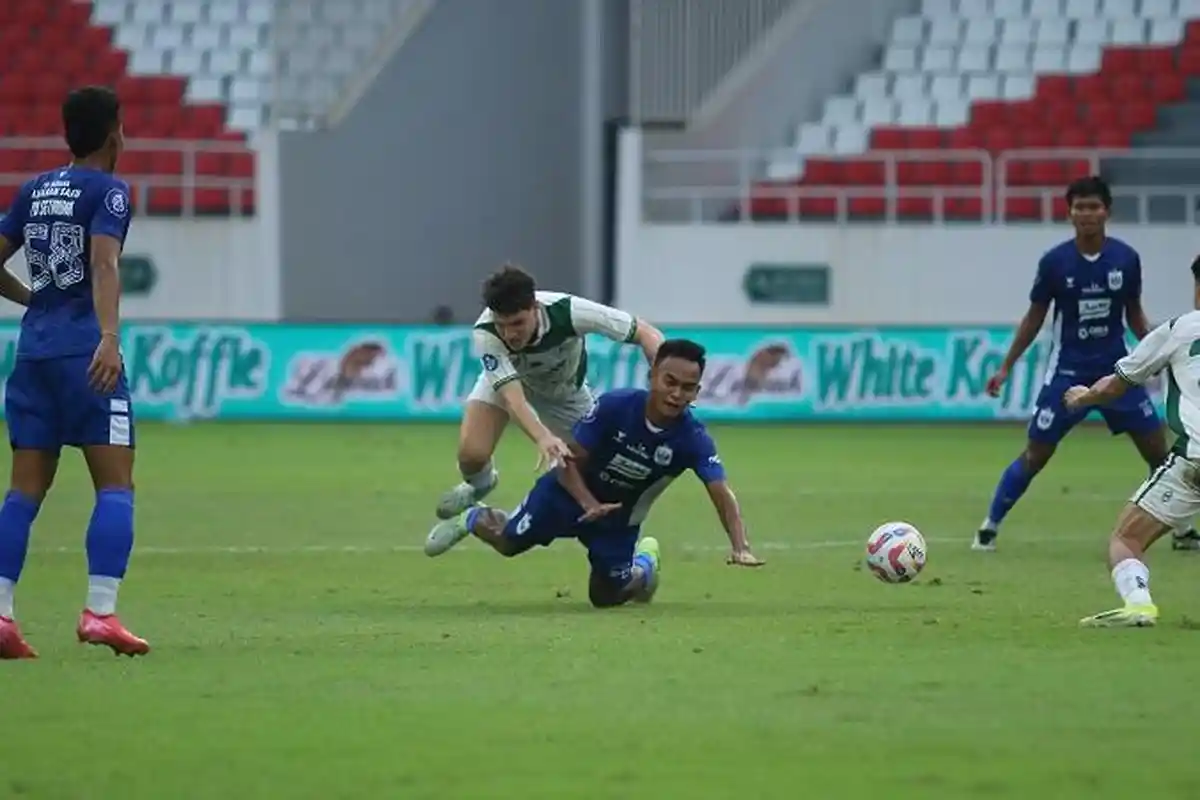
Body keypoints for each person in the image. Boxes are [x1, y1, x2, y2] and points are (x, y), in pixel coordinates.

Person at [424, 339, 764, 606]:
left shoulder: (693, 438)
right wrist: (587, 502)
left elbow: (721, 492)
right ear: (652, 377)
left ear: (697, 392)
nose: (676, 394)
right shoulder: (615, 406)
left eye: (687, 388)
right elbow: (569, 460)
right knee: (508, 542)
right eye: (669, 382)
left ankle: (645, 565)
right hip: (566, 494)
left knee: (605, 597)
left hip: (618, 519)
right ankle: (473, 517)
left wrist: (740, 546)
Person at [0, 86, 148, 659]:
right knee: (115, 485)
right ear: (114, 133)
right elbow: (104, 262)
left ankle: (4, 615)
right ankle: (101, 613)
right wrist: (109, 338)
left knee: (22, 493)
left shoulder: (34, 190)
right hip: (87, 356)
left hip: (33, 357)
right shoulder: (109, 191)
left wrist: (30, 300)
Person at [976, 175, 1198, 551]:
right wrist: (1006, 366)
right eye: (1080, 207)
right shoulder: (1054, 263)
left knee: (1158, 451)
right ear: (1069, 213)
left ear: (1106, 211)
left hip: (1118, 373)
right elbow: (1034, 318)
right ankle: (989, 525)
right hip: (1067, 373)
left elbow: (1134, 314)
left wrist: (1155, 352)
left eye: (1094, 206)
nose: (1087, 214)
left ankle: (1181, 531)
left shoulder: (1126, 259)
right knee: (1036, 453)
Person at [436, 263, 664, 520]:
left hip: (565, 397)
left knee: (601, 470)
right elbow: (514, 399)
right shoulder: (486, 332)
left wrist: (662, 379)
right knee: (471, 456)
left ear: (535, 307)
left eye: (517, 323)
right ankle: (481, 485)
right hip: (509, 384)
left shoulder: (570, 311)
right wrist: (543, 437)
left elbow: (646, 333)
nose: (510, 334)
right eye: (502, 325)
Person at [1064, 255, 1200, 627]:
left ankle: (1138, 605)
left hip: (1195, 460)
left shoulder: (1180, 329)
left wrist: (1084, 397)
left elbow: (1118, 382)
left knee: (1125, 539)